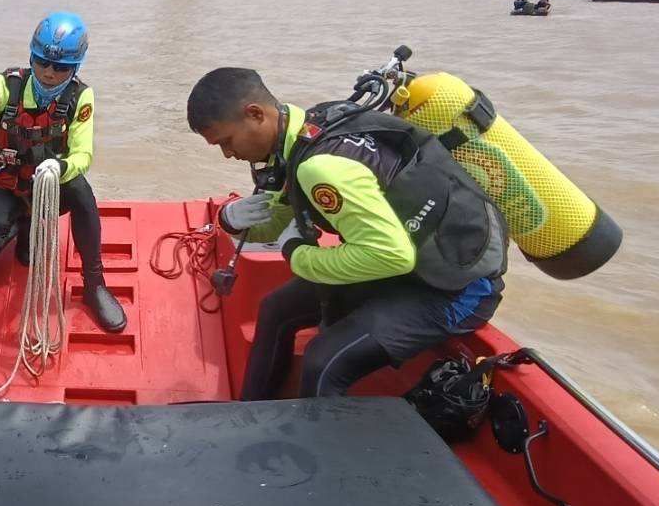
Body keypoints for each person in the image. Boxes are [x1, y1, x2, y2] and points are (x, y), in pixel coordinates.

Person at [186, 68, 507, 401]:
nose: (228, 154)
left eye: (226, 141)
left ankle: (313, 436)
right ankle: (250, 412)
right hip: (413, 263)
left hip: (457, 287)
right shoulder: (307, 131)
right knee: (276, 308)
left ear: (255, 114)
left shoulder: (320, 166)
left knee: (323, 360)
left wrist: (296, 254)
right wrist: (230, 220)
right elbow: (278, 219)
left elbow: (390, 255)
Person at [0, 10, 127, 332]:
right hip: (5, 185)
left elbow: (83, 154)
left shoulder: (80, 97)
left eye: (61, 67)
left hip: (48, 185)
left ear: (75, 68)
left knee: (82, 192)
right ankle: (23, 225)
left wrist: (60, 166)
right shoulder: (4, 87)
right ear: (31, 56)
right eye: (42, 62)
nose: (49, 73)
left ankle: (95, 284)